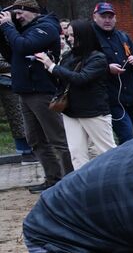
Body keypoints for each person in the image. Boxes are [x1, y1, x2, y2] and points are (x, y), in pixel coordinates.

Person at [0, 0, 70, 190]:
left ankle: (71, 180)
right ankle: (53, 179)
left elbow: (24, 47)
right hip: (25, 91)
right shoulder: (24, 30)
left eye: (20, 13)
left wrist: (7, 27)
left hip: (42, 91)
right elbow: (12, 54)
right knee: (35, 140)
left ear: (33, 12)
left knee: (58, 139)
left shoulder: (45, 27)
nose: (18, 17)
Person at [31, 19, 114, 169]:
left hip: (94, 112)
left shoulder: (98, 58)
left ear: (84, 35)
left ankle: (120, 183)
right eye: (67, 36)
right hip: (71, 112)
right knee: (76, 154)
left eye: (72, 36)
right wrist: (47, 66)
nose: (69, 39)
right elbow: (61, 80)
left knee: (107, 152)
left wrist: (52, 66)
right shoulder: (68, 56)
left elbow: (81, 79)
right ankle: (82, 189)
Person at [92, 1, 133, 143]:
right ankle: (127, 161)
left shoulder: (123, 37)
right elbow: (85, 67)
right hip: (111, 98)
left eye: (110, 17)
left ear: (115, 18)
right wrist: (107, 69)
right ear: (95, 17)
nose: (107, 20)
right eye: (104, 16)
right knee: (127, 135)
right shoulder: (90, 39)